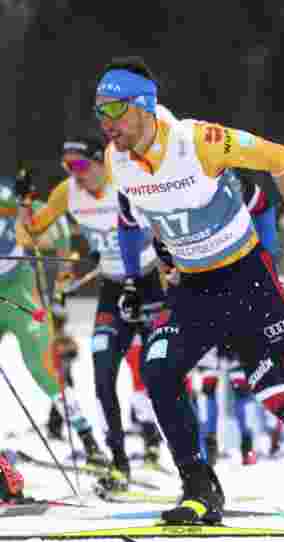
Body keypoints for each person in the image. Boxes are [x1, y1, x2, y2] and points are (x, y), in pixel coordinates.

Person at [97, 56, 284, 523]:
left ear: (144, 106)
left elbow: (280, 158)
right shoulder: (117, 161)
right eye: (100, 111)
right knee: (159, 370)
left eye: (114, 109)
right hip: (195, 292)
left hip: (250, 281)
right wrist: (153, 266)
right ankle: (200, 491)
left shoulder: (198, 141)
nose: (105, 121)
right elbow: (140, 218)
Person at [18, 136, 167, 488]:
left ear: (102, 161)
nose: (75, 173)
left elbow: (166, 219)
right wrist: (25, 202)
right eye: (68, 166)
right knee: (102, 377)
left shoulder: (128, 181)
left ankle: (183, 459)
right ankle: (118, 464)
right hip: (113, 289)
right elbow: (34, 231)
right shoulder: (67, 192)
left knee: (160, 376)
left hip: (150, 284)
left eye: (81, 165)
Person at [3, 176, 107, 467]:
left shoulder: (9, 197)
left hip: (19, 293)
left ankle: (89, 442)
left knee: (47, 370)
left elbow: (58, 235)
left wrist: (62, 278)